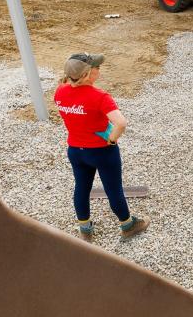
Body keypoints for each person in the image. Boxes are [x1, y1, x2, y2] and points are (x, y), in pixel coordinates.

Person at [54, 53, 148, 240]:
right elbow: (121, 123)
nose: (99, 69)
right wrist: (112, 140)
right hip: (101, 151)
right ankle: (127, 225)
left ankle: (86, 230)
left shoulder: (60, 91)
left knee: (81, 187)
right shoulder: (99, 97)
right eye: (96, 67)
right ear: (87, 75)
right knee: (113, 189)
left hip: (76, 150)